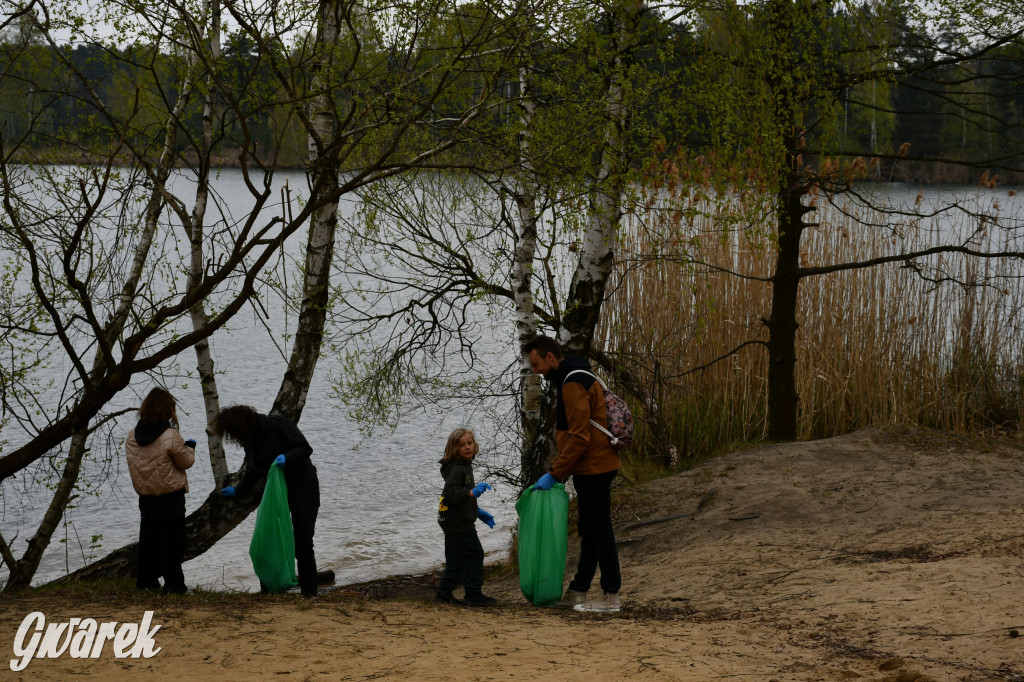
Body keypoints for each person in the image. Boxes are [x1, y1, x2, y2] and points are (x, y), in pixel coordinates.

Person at [523, 335, 622, 613]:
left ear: (550, 357)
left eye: (536, 364)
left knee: (600, 530)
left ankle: (611, 598)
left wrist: (554, 474)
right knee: (590, 530)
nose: (536, 370)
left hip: (594, 466)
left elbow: (579, 437)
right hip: (595, 464)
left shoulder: (572, 382)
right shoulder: (576, 371)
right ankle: (578, 591)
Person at [214, 405, 321, 597]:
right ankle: (270, 590)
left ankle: (309, 594)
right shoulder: (251, 440)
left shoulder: (277, 425)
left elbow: (305, 448)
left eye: (235, 433)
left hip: (304, 486)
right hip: (276, 493)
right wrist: (238, 491)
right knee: (268, 540)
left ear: (244, 425)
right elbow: (253, 470)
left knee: (303, 541)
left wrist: (287, 457)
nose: (235, 438)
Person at [125, 387, 196, 594]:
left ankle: (146, 581)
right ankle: (174, 586)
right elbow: (186, 462)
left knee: (149, 542)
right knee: (173, 544)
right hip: (171, 496)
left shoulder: (132, 435)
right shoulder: (170, 435)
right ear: (168, 409)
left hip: (146, 496)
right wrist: (190, 446)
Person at [435, 427, 497, 607]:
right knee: (475, 554)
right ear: (454, 449)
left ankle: (443, 594)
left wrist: (478, 513)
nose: (467, 447)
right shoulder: (457, 469)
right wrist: (472, 493)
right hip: (458, 523)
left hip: (452, 521)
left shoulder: (463, 466)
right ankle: (473, 595)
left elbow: (461, 498)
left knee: (455, 559)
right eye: (462, 445)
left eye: (469, 443)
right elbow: (450, 494)